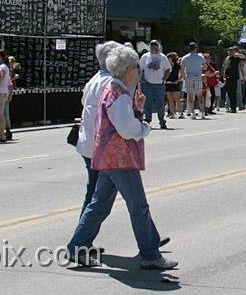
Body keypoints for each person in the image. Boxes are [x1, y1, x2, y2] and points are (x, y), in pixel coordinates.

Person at [66, 45, 177, 270]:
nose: (138, 71)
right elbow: (126, 129)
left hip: (107, 156)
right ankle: (150, 253)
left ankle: (77, 247)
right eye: (136, 67)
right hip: (120, 157)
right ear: (127, 69)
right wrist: (144, 127)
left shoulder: (114, 90)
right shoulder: (117, 92)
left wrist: (135, 109)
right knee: (138, 206)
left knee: (99, 204)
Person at [75, 41, 121, 217]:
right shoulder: (111, 82)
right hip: (103, 146)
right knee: (101, 197)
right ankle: (81, 239)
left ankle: (82, 238)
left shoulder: (95, 79)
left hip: (89, 143)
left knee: (94, 192)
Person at [138, 40, 171, 129]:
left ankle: (162, 121)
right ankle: (147, 121)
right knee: (147, 104)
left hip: (159, 84)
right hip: (148, 84)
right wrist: (141, 78)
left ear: (158, 46)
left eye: (155, 45)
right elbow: (140, 69)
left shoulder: (163, 57)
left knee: (160, 104)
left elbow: (168, 69)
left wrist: (164, 78)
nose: (153, 47)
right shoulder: (145, 57)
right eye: (152, 45)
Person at [180, 42, 206, 119]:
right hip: (198, 76)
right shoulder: (200, 57)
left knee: (190, 96)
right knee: (200, 95)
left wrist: (185, 77)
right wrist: (198, 68)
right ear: (196, 48)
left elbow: (182, 69)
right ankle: (203, 113)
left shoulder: (185, 57)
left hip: (189, 77)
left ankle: (193, 113)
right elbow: (204, 67)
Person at [221, 46, 245, 113]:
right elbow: (225, 68)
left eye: (231, 51)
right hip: (227, 78)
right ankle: (231, 107)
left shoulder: (236, 58)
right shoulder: (227, 58)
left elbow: (243, 57)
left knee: (233, 93)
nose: (230, 52)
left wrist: (237, 54)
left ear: (233, 52)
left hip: (234, 78)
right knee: (228, 93)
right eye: (229, 51)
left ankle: (233, 108)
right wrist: (224, 77)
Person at [164, 52, 182, 119]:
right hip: (168, 83)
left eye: (169, 57)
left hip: (175, 83)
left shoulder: (177, 66)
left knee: (177, 99)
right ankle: (172, 113)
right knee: (170, 99)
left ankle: (181, 113)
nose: (168, 59)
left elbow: (182, 75)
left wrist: (177, 81)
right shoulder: (166, 66)